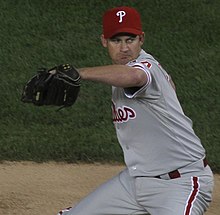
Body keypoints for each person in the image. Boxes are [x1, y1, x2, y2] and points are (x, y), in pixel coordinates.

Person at [57, 6, 214, 215]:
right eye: (116, 40)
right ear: (104, 41)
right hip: (136, 182)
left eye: (130, 40)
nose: (123, 48)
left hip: (180, 184)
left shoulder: (147, 67)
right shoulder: (118, 73)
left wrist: (80, 73)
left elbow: (136, 77)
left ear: (141, 39)